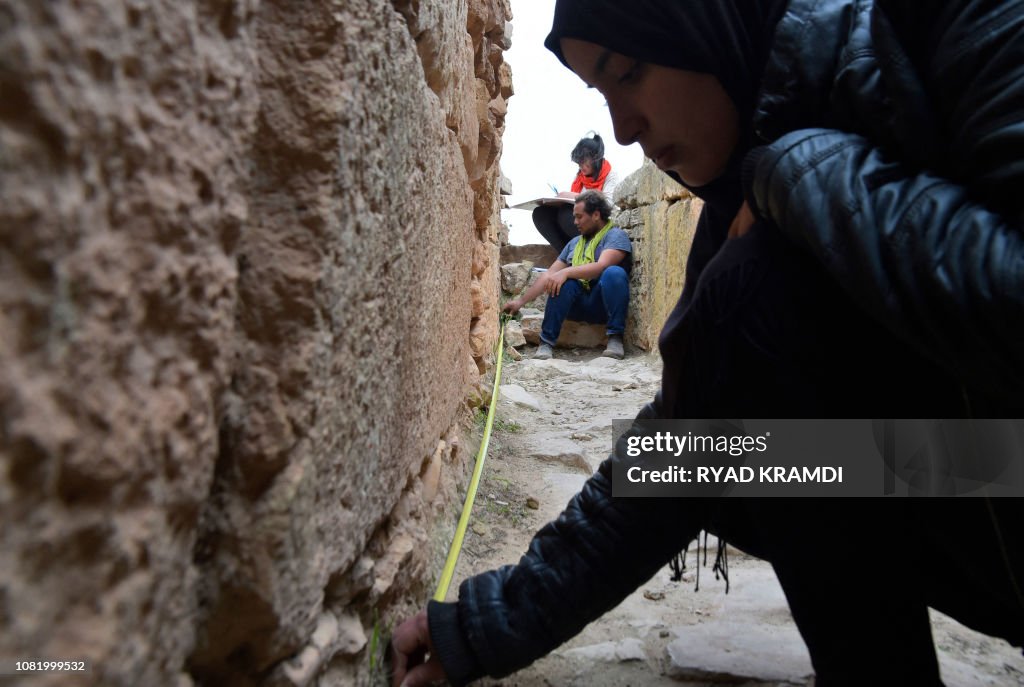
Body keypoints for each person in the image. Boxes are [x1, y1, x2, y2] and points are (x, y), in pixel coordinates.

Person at [392, 1, 1024, 685]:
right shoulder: (742, 205)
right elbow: (680, 449)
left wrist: (793, 173)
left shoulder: (962, 22)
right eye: (600, 95)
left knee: (752, 304)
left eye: (628, 72)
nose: (623, 129)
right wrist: (486, 626)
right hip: (976, 482)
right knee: (724, 402)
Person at [505, 190, 631, 360]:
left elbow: (601, 266)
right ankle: (546, 343)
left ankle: (615, 338)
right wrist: (520, 302)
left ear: (595, 215)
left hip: (602, 303)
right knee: (561, 282)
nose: (575, 222)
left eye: (579, 217)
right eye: (574, 217)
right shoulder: (574, 243)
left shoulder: (616, 236)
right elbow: (550, 273)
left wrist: (566, 272)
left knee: (614, 273)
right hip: (577, 305)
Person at [532, 132, 620, 252]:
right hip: (582, 222)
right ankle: (568, 255)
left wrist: (578, 197)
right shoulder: (580, 178)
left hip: (599, 223)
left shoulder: (611, 176)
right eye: (579, 163)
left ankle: (589, 251)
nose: (581, 166)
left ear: (595, 158)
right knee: (541, 213)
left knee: (565, 213)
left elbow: (608, 204)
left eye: (584, 162)